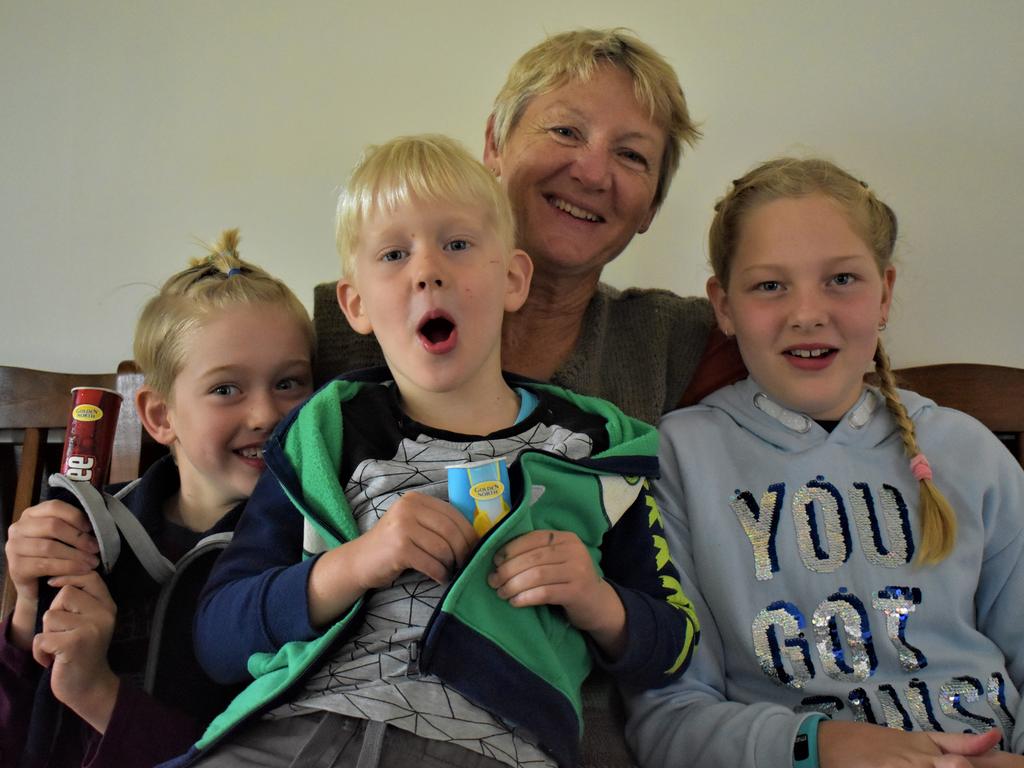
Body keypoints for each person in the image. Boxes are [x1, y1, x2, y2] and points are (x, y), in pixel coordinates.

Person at [170, 135, 698, 768]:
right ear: (356, 304)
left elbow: (672, 646)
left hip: (488, 747)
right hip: (298, 731)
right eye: (394, 253)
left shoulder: (597, 447)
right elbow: (219, 638)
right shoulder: (326, 432)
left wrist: (594, 598)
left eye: (457, 245)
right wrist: (357, 563)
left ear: (512, 278)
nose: (427, 271)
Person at [626, 158, 1024, 767]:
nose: (807, 311)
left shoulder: (967, 451)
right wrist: (817, 746)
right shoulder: (679, 460)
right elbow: (669, 717)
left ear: (885, 293)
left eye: (841, 279)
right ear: (723, 305)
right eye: (769, 285)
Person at [313, 27, 745, 427]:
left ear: (652, 205)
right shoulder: (338, 331)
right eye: (565, 131)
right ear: (495, 145)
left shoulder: (677, 338)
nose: (593, 174)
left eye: (632, 156)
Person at [0, 230, 315, 768]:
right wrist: (28, 612)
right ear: (160, 416)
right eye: (226, 389)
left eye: (289, 383)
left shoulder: (305, 558)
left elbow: (275, 751)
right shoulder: (95, 532)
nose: (266, 413)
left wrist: (97, 693)